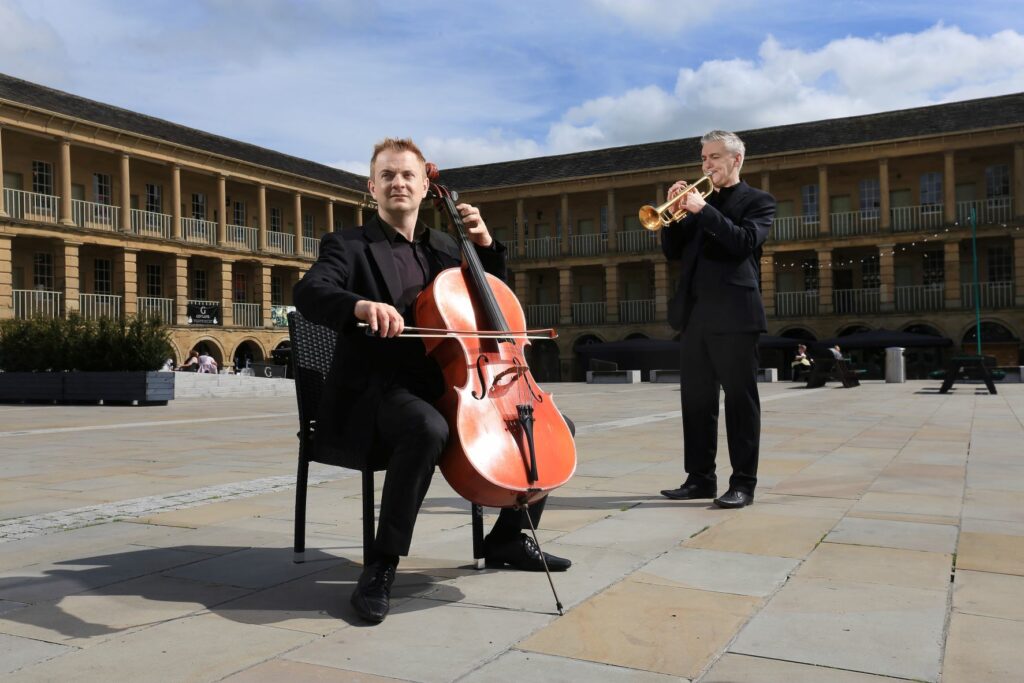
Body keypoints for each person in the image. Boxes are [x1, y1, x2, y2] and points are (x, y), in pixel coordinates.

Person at [293, 138, 572, 624]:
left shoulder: (447, 248)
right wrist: (359, 306)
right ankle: (382, 564)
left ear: (425, 185)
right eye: (388, 176)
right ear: (372, 188)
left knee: (550, 424)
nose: (398, 183)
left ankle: (507, 538)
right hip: (379, 389)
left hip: (452, 384)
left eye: (407, 175)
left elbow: (492, 304)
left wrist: (484, 246)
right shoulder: (349, 246)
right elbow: (310, 291)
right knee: (426, 428)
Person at [659, 130, 776, 509]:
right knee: (696, 402)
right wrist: (673, 214)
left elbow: (743, 242)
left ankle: (743, 483)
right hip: (695, 315)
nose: (706, 165)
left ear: (736, 160)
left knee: (740, 403)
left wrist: (701, 210)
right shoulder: (694, 205)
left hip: (736, 315)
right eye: (703, 159)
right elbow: (672, 253)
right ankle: (699, 479)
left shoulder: (758, 201)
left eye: (714, 158)